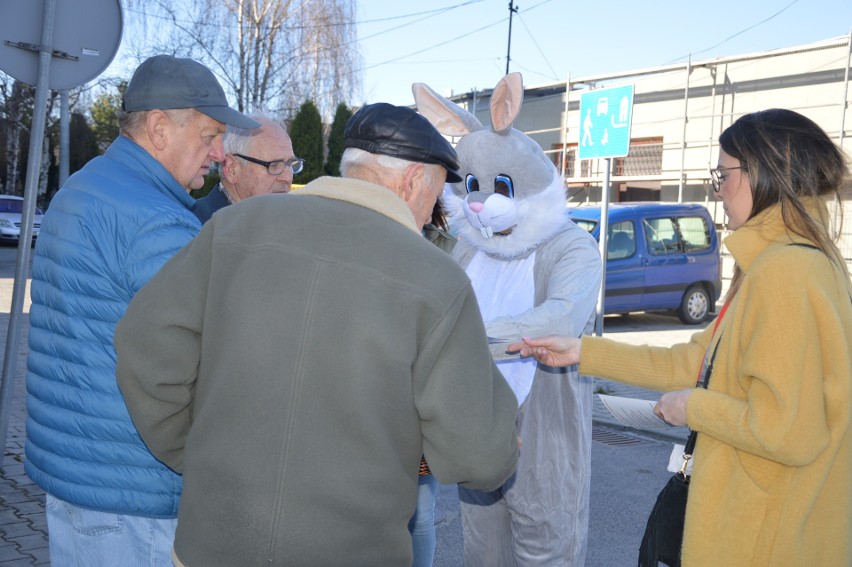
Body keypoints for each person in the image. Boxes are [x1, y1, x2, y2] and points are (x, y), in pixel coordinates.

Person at [113, 102, 520, 567]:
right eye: (435, 196)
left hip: (211, 546)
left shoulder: (233, 229)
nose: (432, 213)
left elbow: (144, 347)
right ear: (412, 184)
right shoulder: (436, 280)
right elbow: (480, 457)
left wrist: (194, 452)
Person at [511, 109, 852, 566]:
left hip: (764, 536)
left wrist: (693, 407)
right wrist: (580, 351)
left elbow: (788, 429)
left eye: (723, 175)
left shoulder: (786, 272)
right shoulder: (791, 263)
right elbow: (698, 361)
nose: (718, 190)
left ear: (763, 174)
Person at [24, 54, 259, 566]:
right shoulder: (155, 221)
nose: (220, 153)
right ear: (158, 128)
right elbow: (203, 361)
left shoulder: (83, 188)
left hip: (76, 473)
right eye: (209, 135)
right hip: (135, 491)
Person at [193, 114, 302, 223]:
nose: (288, 178)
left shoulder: (292, 223)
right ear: (232, 169)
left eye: (290, 164)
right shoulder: (196, 229)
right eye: (274, 165)